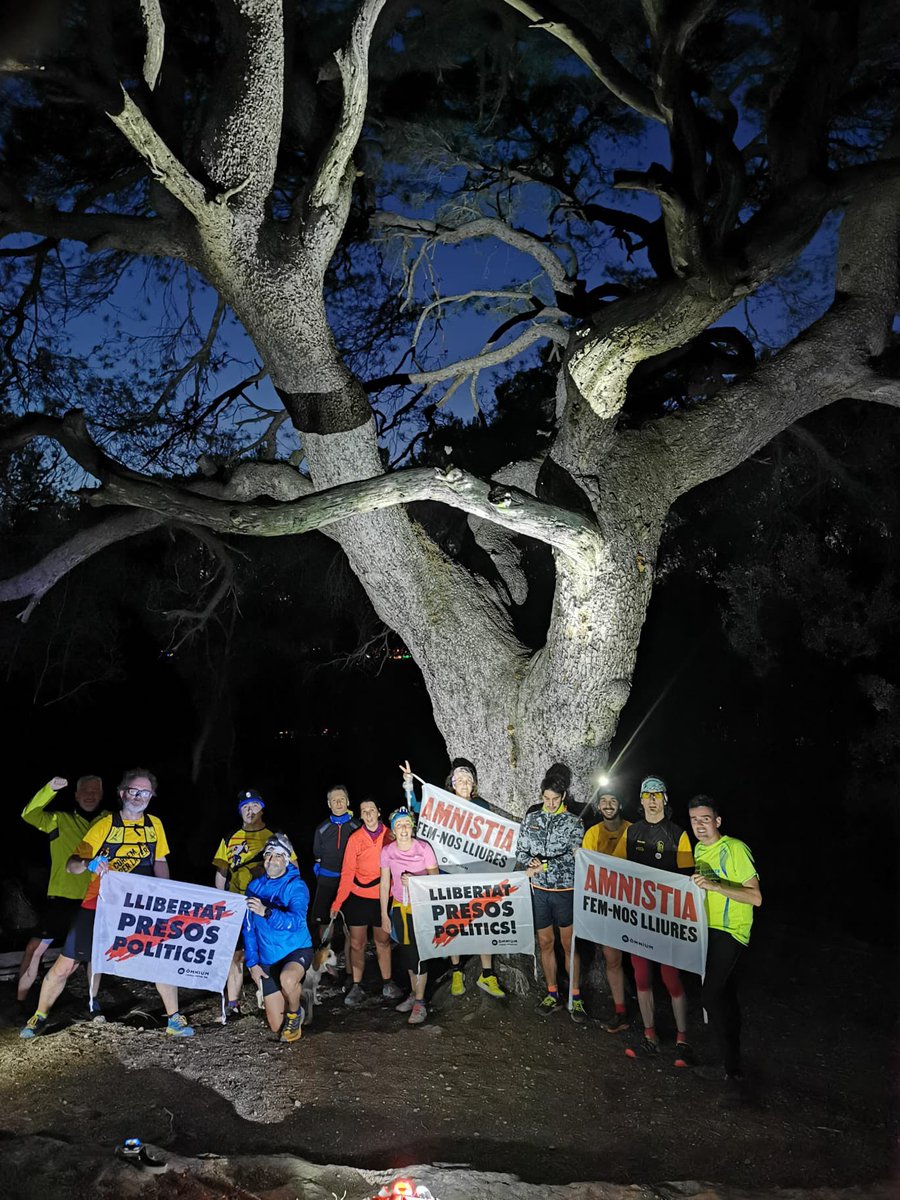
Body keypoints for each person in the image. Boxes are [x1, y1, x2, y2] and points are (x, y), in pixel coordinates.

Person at [20, 768, 195, 1039]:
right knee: (68, 964)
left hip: (139, 906)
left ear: (152, 795)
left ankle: (174, 1018)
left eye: (145, 792)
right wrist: (89, 863)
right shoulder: (104, 825)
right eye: (133, 791)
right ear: (123, 793)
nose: (139, 797)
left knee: (160, 960)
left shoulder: (154, 825)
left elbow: (159, 861)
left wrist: (165, 893)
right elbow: (71, 865)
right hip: (98, 905)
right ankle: (39, 1016)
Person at [399, 757, 506, 999]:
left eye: (468, 779)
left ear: (473, 784)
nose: (464, 782)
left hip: (476, 873)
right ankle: (456, 970)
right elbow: (414, 808)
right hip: (448, 874)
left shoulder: (481, 806)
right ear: (452, 783)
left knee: (481, 922)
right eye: (459, 779)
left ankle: (486, 974)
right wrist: (408, 783)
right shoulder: (442, 805)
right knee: (453, 923)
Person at [614, 774, 695, 1065]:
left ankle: (682, 1038)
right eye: (646, 795)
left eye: (656, 794)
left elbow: (689, 881)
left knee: (671, 977)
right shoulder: (632, 831)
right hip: (638, 918)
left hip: (668, 919)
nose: (651, 799)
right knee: (641, 976)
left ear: (665, 799)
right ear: (640, 800)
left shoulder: (678, 834)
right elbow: (613, 868)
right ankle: (650, 1036)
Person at [689, 795, 762, 1093]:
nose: (699, 825)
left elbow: (755, 897)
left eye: (705, 819)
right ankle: (732, 1067)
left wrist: (716, 886)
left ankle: (731, 1070)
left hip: (731, 931)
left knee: (710, 997)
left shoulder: (735, 848)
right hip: (707, 929)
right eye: (694, 820)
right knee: (725, 997)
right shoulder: (698, 848)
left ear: (717, 821)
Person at [17, 774, 108, 1003]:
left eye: (95, 791)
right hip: (61, 899)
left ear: (102, 795)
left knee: (93, 955)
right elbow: (29, 814)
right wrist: (49, 789)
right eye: (85, 791)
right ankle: (20, 1001)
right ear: (76, 795)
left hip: (96, 899)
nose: (90, 795)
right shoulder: (59, 820)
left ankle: (93, 1004)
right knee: (34, 949)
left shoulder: (109, 821)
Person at [515, 765, 587, 1023]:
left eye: (555, 799)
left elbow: (575, 859)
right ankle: (552, 993)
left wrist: (543, 864)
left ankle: (575, 997)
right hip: (538, 892)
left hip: (565, 890)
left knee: (569, 945)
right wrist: (529, 864)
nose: (550, 803)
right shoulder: (531, 819)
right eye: (546, 799)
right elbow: (520, 851)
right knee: (545, 943)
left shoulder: (574, 823)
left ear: (564, 796)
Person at [212, 787, 288, 1020]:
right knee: (234, 955)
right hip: (237, 903)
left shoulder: (276, 836)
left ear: (262, 809)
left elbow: (292, 868)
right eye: (245, 807)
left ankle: (273, 1001)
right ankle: (233, 1005)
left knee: (267, 953)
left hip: (267, 903)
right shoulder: (229, 837)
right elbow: (222, 873)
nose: (250, 810)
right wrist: (220, 902)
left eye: (254, 805)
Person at [331, 798, 403, 1005]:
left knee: (383, 941)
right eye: (364, 811)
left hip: (383, 897)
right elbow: (347, 873)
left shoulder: (391, 835)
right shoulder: (355, 839)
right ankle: (356, 985)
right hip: (358, 897)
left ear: (379, 812)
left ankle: (388, 982)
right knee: (357, 943)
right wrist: (337, 903)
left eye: (372, 810)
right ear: (360, 816)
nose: (369, 814)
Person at [243, 832, 313, 1044]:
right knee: (275, 1026)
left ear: (286, 859)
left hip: (296, 949)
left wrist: (267, 912)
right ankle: (300, 1000)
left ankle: (294, 1013)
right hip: (268, 957)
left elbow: (297, 922)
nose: (271, 860)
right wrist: (252, 963)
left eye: (277, 855)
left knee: (288, 979)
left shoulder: (297, 886)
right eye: (268, 855)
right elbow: (248, 928)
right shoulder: (254, 887)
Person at [379, 807, 439, 1026]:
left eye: (406, 824)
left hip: (420, 908)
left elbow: (436, 879)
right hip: (398, 908)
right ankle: (414, 994)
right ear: (393, 830)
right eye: (398, 825)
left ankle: (421, 1002)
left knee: (419, 954)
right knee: (407, 954)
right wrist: (383, 914)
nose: (403, 829)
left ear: (412, 826)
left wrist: (415, 880)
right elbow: (385, 883)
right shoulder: (387, 851)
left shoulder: (423, 848)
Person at [581, 787, 632, 1032]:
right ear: (599, 807)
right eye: (604, 801)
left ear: (620, 805)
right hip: (608, 907)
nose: (609, 804)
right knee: (613, 960)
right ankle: (621, 1011)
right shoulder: (592, 833)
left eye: (613, 800)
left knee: (644, 962)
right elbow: (588, 868)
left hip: (636, 906)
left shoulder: (634, 831)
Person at [311, 785, 360, 943]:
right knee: (324, 920)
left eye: (341, 799)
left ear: (348, 802)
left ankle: (349, 963)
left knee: (351, 924)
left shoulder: (357, 826)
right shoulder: (322, 828)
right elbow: (317, 857)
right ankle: (325, 956)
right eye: (334, 800)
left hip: (351, 880)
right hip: (327, 880)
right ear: (329, 804)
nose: (338, 803)